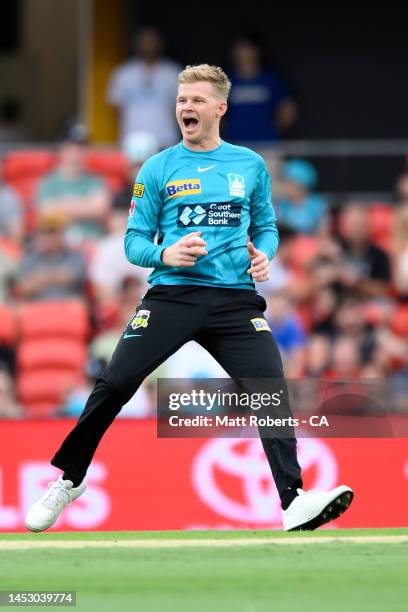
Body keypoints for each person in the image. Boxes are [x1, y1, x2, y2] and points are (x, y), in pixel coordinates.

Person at [26, 64, 353, 533]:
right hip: (173, 295)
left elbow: (265, 226)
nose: (186, 108)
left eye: (197, 100)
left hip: (236, 301)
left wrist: (266, 255)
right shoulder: (158, 167)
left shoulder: (249, 165)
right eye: (182, 101)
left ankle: (292, 500)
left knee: (269, 388)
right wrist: (168, 252)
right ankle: (70, 479)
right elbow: (133, 242)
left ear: (220, 108)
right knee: (115, 382)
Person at [107, 26, 181, 147]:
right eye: (145, 41)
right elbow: (116, 107)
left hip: (165, 139)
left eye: (152, 41)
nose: (148, 45)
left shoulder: (172, 72)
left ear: (160, 44)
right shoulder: (124, 72)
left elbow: (180, 107)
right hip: (132, 139)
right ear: (137, 44)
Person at [37, 134, 110, 242]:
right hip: (59, 245)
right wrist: (85, 204)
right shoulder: (48, 182)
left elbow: (100, 209)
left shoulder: (95, 181)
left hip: (93, 241)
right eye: (71, 148)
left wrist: (62, 203)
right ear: (61, 151)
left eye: (81, 149)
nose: (76, 154)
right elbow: (45, 211)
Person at [227, 37, 297, 144]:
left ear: (256, 51)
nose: (245, 53)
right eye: (240, 49)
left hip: (267, 144)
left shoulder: (269, 79)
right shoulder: (226, 81)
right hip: (235, 145)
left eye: (248, 49)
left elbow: (287, 109)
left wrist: (273, 128)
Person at [15, 213, 87, 301]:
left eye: (56, 232)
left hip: (68, 307)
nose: (53, 237)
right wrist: (56, 276)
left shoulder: (75, 256)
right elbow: (25, 288)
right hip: (38, 308)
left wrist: (42, 277)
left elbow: (71, 276)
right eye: (48, 232)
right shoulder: (29, 258)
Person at [275, 159, 328, 235]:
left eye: (289, 182)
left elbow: (323, 233)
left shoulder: (318, 205)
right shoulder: (281, 205)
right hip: (287, 245)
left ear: (302, 185)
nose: (285, 186)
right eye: (284, 181)